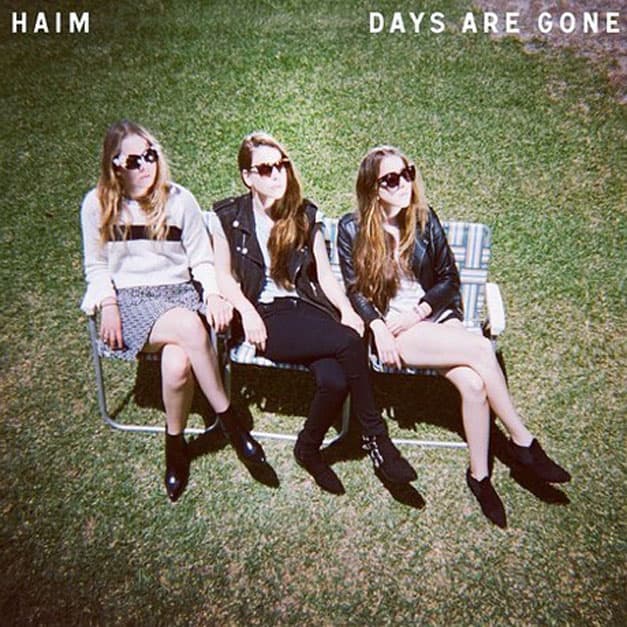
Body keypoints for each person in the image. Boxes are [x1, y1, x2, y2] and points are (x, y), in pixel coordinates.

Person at [337, 145, 570, 526]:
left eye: (407, 173)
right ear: (373, 188)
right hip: (395, 329)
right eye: (391, 179)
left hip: (432, 316)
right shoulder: (352, 229)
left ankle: (480, 476)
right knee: (480, 348)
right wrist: (378, 326)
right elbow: (355, 290)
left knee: (474, 385)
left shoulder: (424, 218)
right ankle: (524, 444)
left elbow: (449, 279)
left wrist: (419, 312)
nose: (403, 184)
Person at [211, 132, 417, 495]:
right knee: (349, 343)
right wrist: (248, 312)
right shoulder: (227, 216)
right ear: (247, 176)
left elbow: (323, 274)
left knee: (335, 379)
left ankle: (307, 448)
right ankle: (377, 438)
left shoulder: (305, 214)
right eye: (265, 169)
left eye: (281, 166)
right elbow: (223, 277)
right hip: (266, 317)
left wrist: (346, 310)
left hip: (309, 309)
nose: (277, 174)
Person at [80, 120, 265, 503]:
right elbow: (96, 267)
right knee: (189, 328)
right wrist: (108, 303)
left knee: (179, 364)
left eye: (150, 156)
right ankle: (231, 423)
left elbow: (201, 259)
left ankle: (175, 445)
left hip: (179, 293)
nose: (146, 165)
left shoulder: (179, 200)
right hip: (130, 301)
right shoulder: (96, 204)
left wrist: (212, 294)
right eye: (134, 160)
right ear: (115, 164)